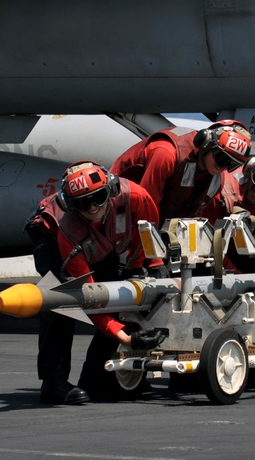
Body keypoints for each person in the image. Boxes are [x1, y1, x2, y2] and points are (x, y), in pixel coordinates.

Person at [24, 161, 168, 404]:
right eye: (83, 203)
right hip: (51, 243)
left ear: (110, 191)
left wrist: (138, 269)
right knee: (62, 302)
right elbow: (89, 296)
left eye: (98, 198)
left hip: (104, 245)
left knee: (121, 293)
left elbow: (146, 233)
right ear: (71, 206)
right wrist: (126, 338)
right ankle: (53, 382)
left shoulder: (136, 197)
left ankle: (97, 378)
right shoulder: (67, 230)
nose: (92, 208)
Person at [110, 120, 252, 225]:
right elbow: (145, 207)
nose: (224, 168)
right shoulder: (166, 153)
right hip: (117, 217)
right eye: (222, 159)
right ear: (206, 143)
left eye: (232, 164)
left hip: (156, 228)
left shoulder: (216, 180)